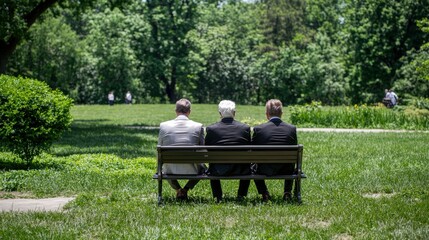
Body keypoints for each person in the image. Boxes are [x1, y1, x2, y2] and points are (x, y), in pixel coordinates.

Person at [158, 98, 205, 200]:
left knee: (163, 168)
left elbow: (160, 148)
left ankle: (178, 189)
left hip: (170, 168)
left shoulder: (163, 126)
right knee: (203, 169)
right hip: (192, 168)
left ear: (176, 111)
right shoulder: (198, 126)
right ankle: (185, 189)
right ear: (189, 111)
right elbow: (203, 150)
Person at [205, 100, 251, 203]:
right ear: (234, 113)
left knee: (212, 163)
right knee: (247, 163)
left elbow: (207, 148)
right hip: (241, 169)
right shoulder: (245, 128)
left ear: (220, 113)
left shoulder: (211, 129)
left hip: (217, 170)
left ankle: (218, 196)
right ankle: (241, 195)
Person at [252, 99, 298, 202]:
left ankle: (264, 193)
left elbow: (252, 150)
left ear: (267, 114)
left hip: (264, 169)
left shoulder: (259, 129)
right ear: (281, 113)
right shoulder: (291, 129)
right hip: (286, 169)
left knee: (253, 167)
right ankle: (287, 192)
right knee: (290, 164)